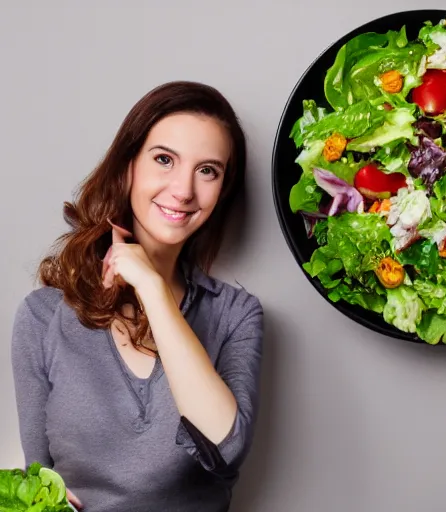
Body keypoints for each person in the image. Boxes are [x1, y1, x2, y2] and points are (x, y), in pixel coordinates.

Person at [11, 81, 264, 512]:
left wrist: (152, 287)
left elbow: (227, 446)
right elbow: (41, 488)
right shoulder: (42, 318)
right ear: (129, 166)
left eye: (208, 170)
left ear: (222, 191)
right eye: (164, 159)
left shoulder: (236, 315)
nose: (184, 190)